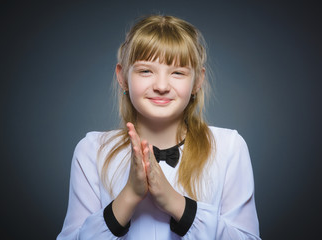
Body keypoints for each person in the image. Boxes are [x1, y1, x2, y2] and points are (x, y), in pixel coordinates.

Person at [57, 15, 261, 240]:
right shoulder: (92, 151)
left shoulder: (229, 147)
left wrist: (176, 203)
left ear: (197, 81)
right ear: (123, 77)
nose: (161, 86)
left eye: (178, 72)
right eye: (145, 71)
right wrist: (129, 196)